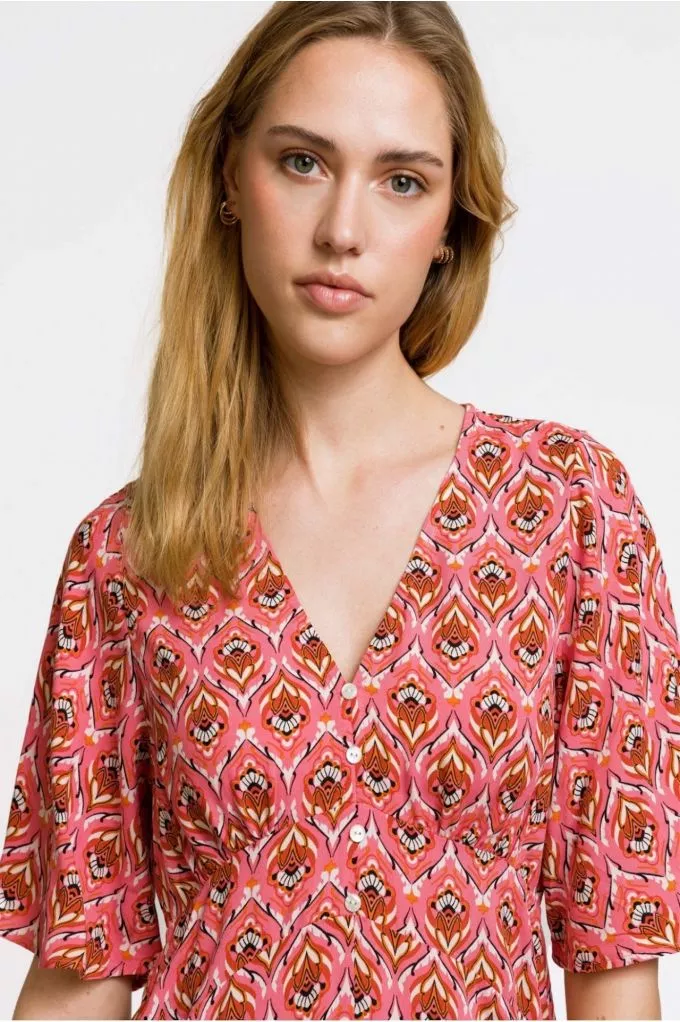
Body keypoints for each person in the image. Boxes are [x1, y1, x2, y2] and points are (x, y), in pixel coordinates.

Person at [1, 2, 679, 1019]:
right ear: (230, 181)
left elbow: (613, 958)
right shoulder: (129, 551)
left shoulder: (567, 509)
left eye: (402, 180)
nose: (342, 231)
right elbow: (80, 968)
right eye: (303, 162)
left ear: (449, 227)